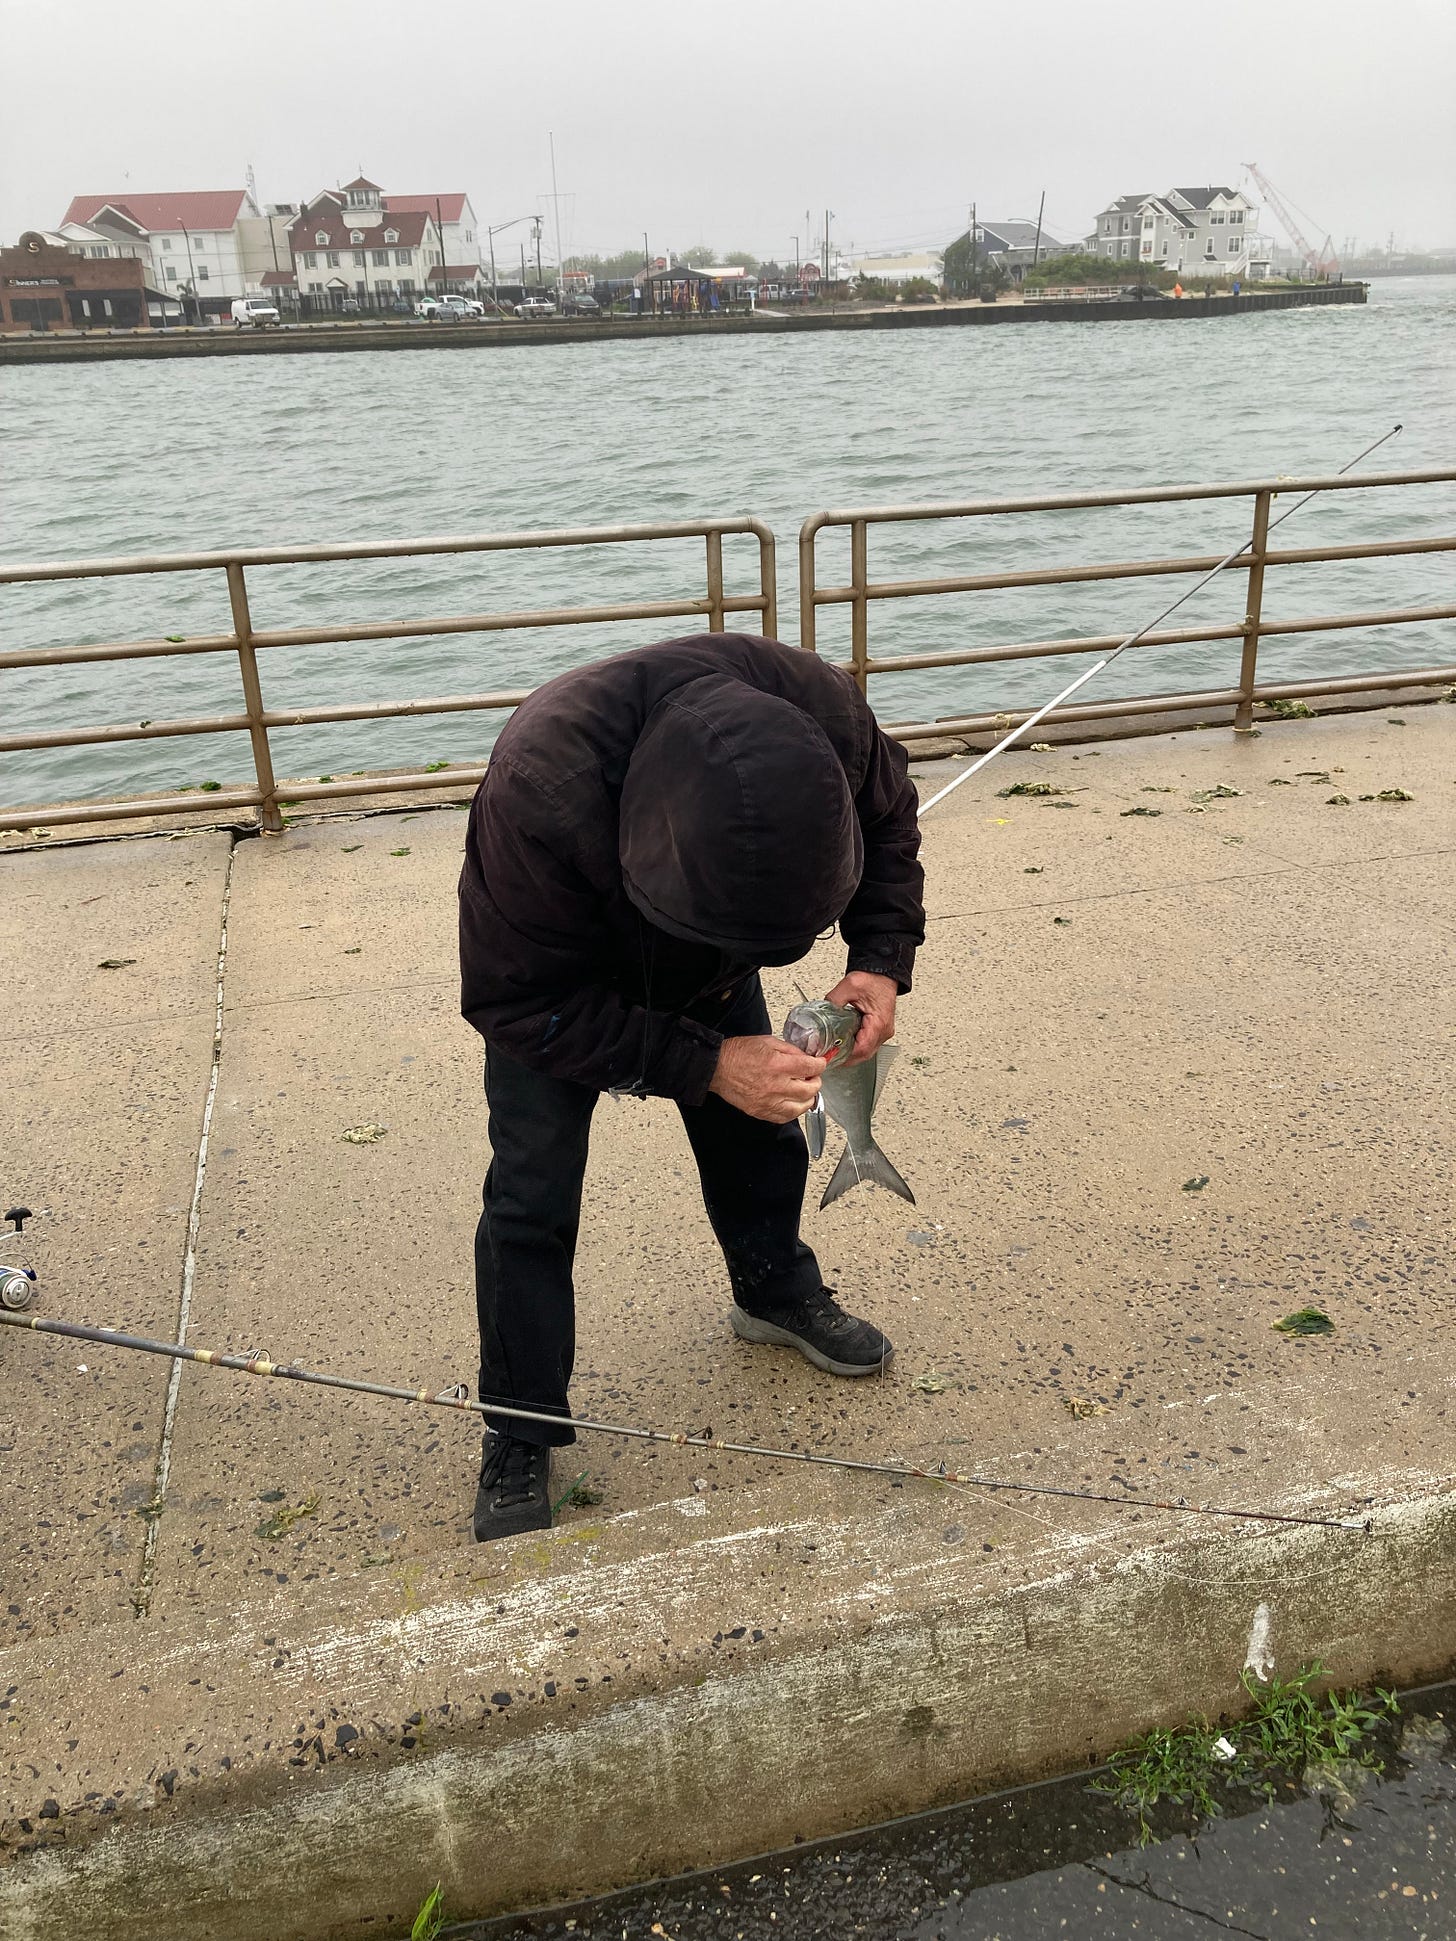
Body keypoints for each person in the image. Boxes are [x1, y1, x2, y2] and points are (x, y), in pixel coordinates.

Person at [459, 633, 925, 1540]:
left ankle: (773, 1290)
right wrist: (706, 1062)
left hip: (710, 958)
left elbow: (890, 816)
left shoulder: (825, 714)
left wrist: (880, 955)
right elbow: (514, 1004)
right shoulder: (538, 789)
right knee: (529, 1196)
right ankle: (521, 1423)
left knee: (759, 1132)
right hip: (560, 981)